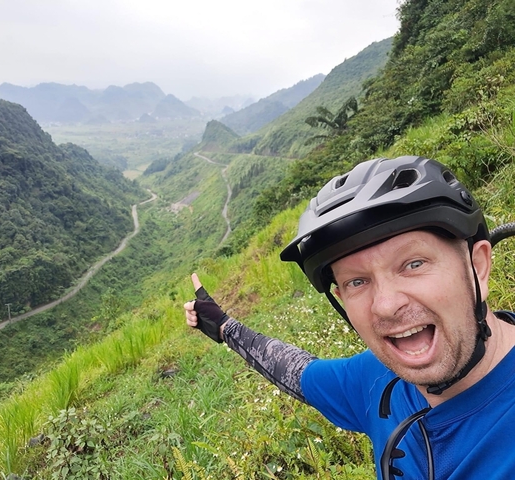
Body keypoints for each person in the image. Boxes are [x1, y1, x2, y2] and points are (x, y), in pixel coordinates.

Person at [184, 155, 515, 479]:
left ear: (479, 267)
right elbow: (293, 370)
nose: (385, 305)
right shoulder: (377, 380)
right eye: (357, 282)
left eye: (413, 264)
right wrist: (224, 325)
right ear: (341, 297)